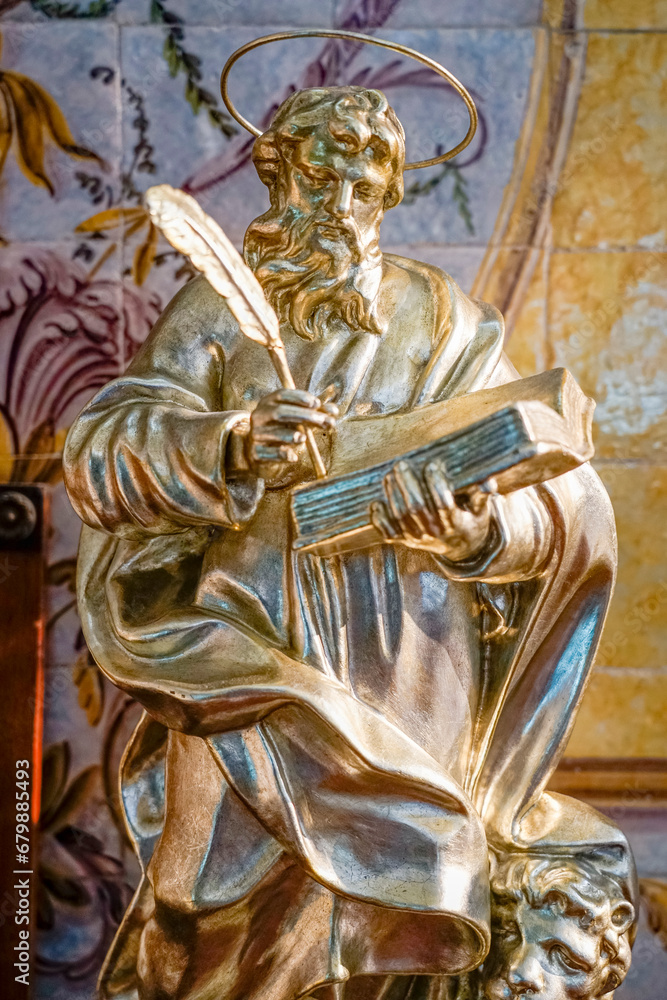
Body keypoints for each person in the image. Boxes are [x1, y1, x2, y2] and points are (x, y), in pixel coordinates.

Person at [64, 86, 630, 1000]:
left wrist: (474, 528)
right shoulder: (217, 310)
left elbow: (560, 507)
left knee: (383, 929)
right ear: (277, 176)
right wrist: (231, 441)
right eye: (318, 178)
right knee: (198, 912)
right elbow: (102, 451)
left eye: (364, 183)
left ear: (390, 192)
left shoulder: (447, 323)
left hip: (407, 682)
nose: (339, 203)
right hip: (246, 666)